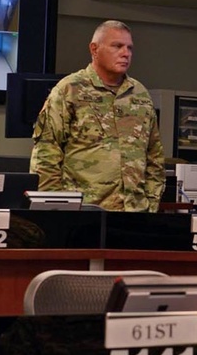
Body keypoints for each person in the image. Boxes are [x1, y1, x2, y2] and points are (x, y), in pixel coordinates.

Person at [30, 20, 164, 212]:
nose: (125, 53)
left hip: (134, 215)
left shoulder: (140, 95)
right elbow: (46, 156)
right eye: (117, 46)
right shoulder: (69, 90)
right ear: (94, 49)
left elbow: (154, 157)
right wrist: (56, 211)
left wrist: (150, 205)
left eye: (129, 48)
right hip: (83, 213)